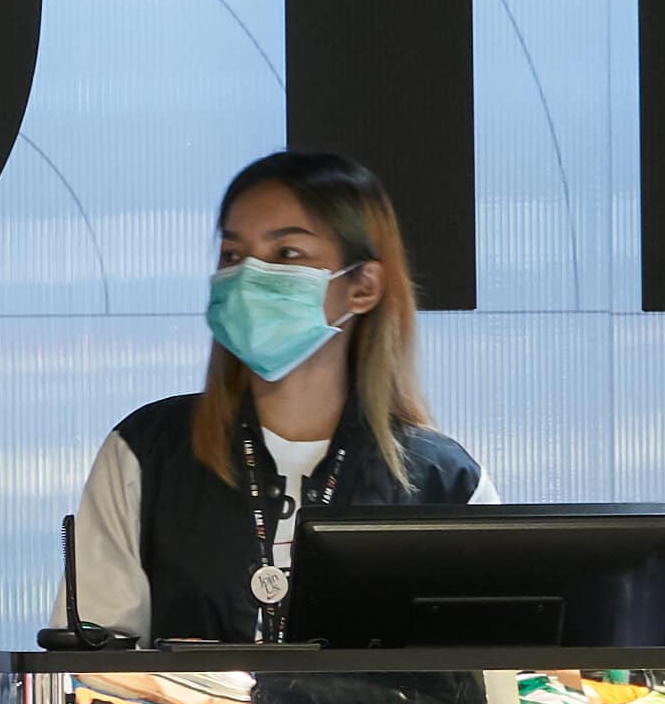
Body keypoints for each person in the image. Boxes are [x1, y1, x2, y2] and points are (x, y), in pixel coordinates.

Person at [56, 147, 476, 644]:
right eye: (233, 256)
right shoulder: (147, 450)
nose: (249, 278)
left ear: (363, 286)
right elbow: (93, 655)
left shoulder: (442, 478)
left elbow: (493, 667)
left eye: (287, 254)